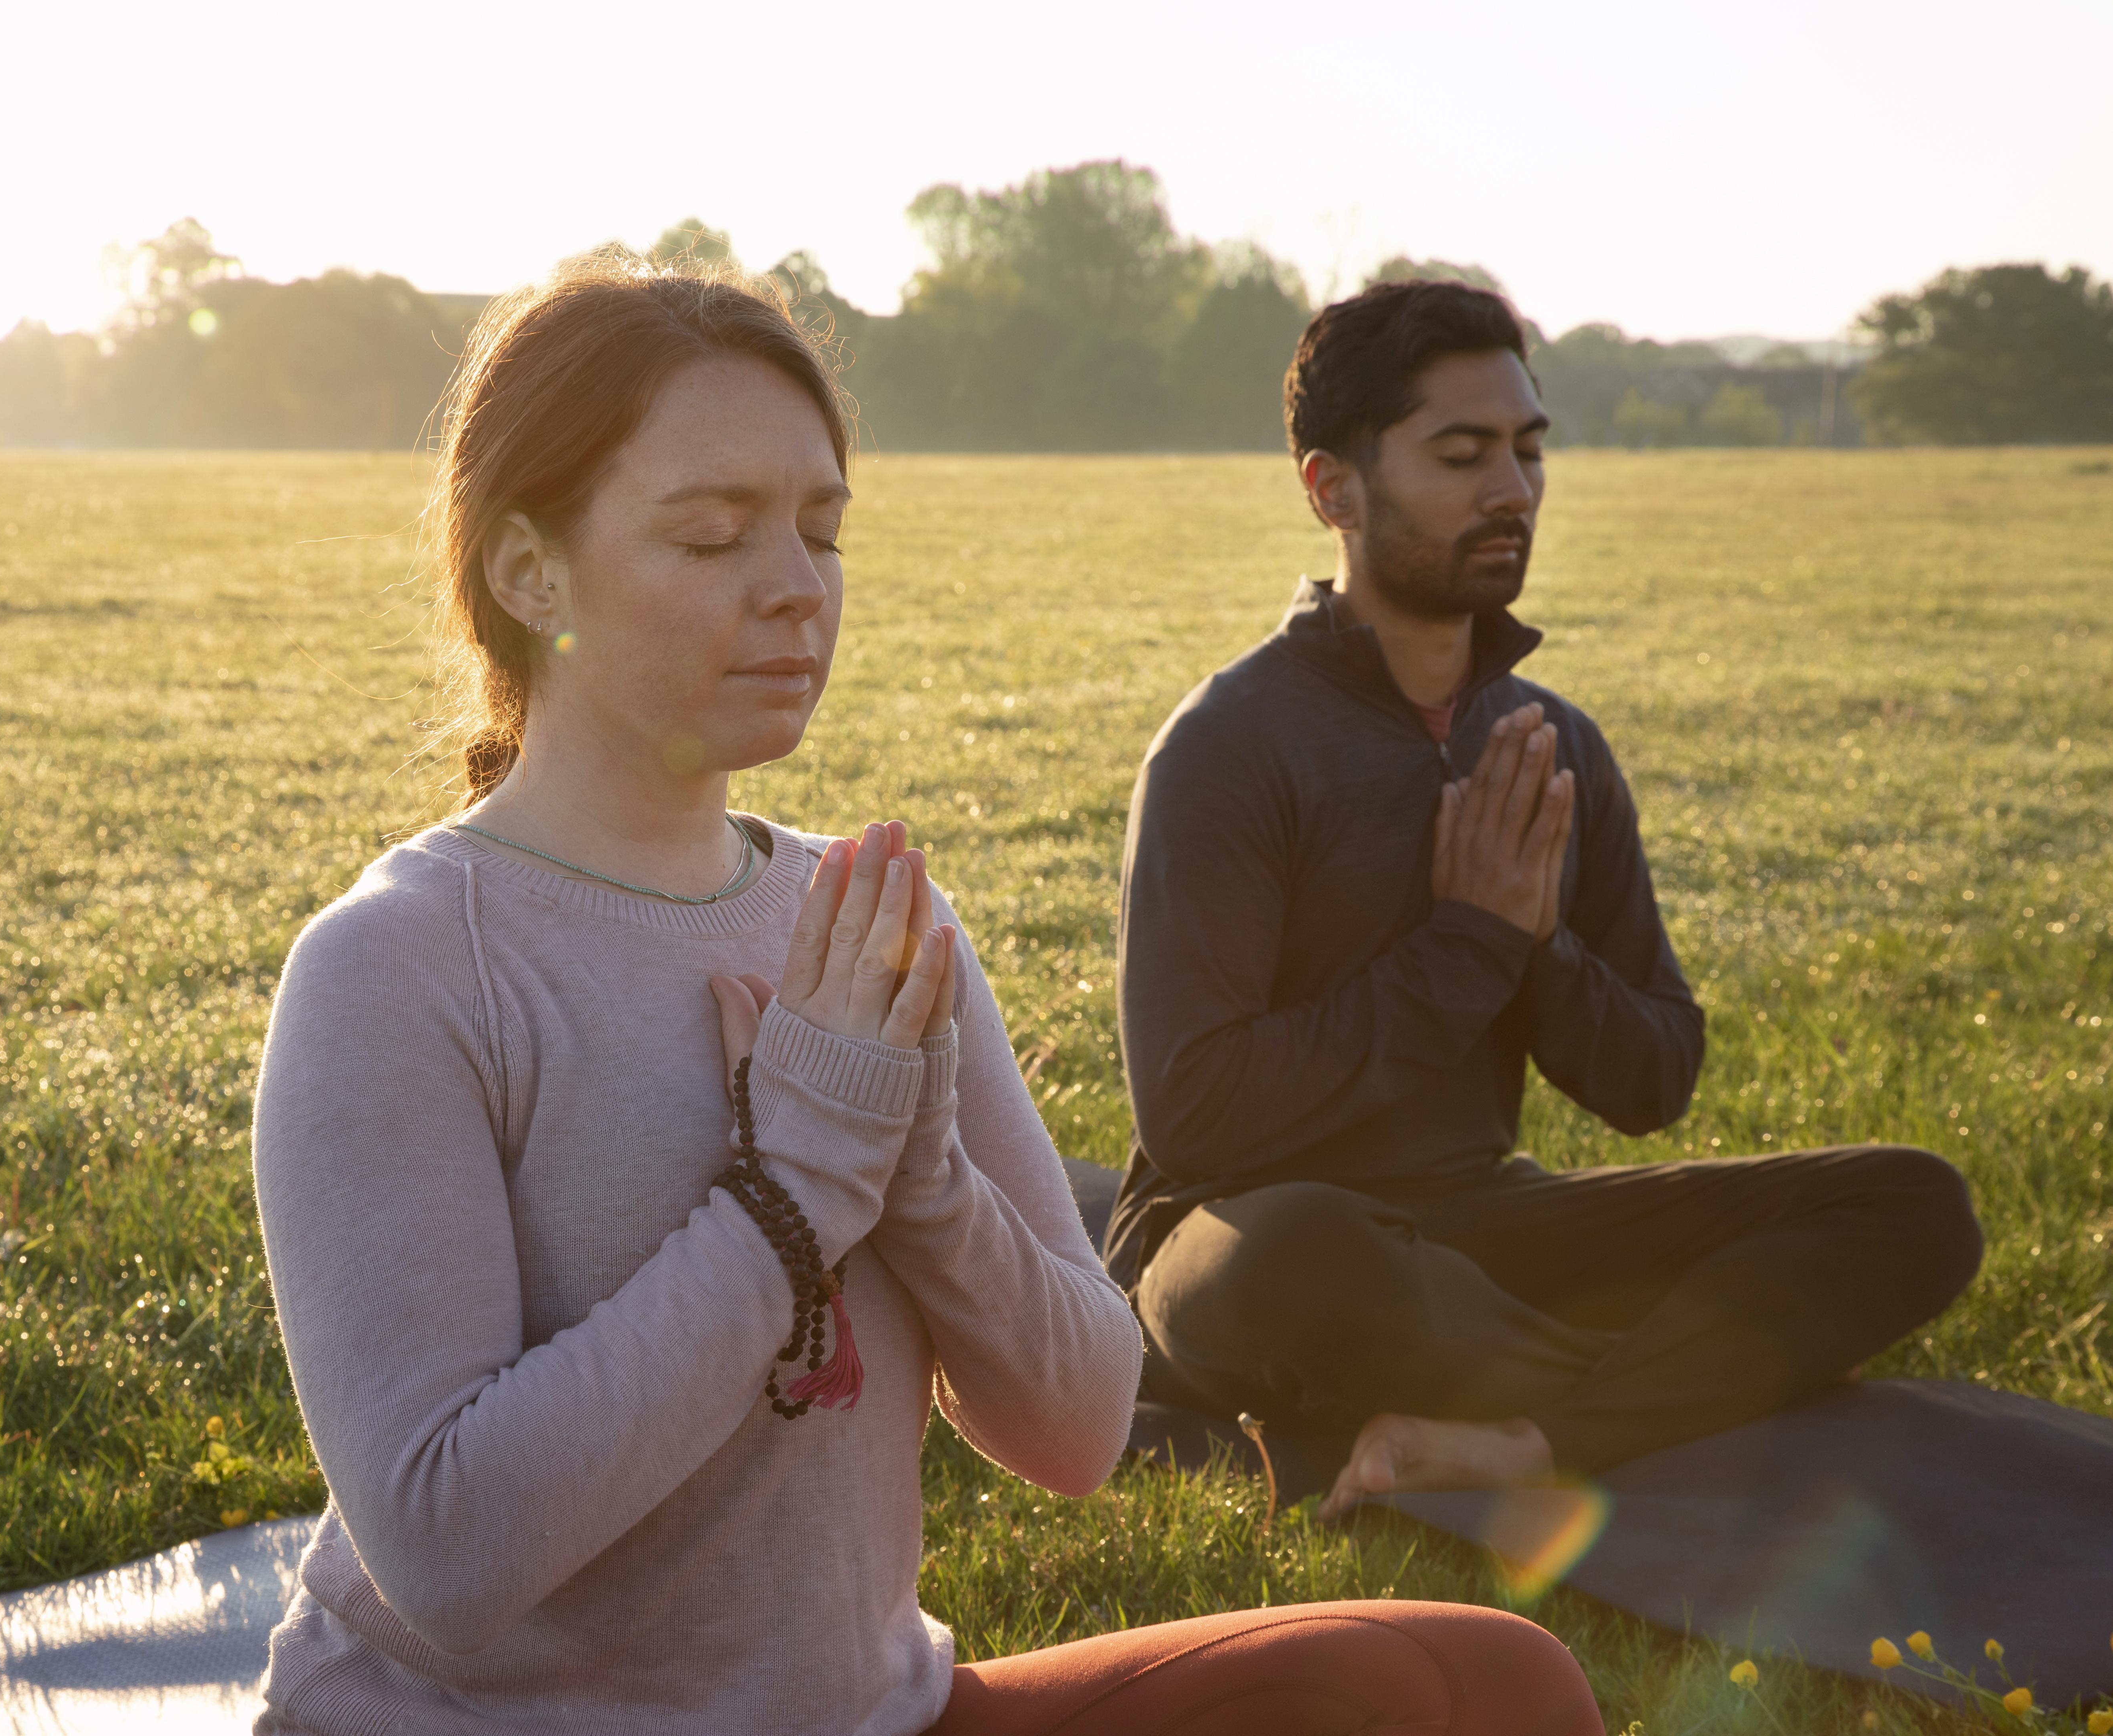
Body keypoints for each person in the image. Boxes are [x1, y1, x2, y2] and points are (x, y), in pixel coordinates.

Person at [249, 253, 1603, 1735]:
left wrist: (918, 1176)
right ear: (527, 571)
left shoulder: (876, 922)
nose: (793, 589)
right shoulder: (407, 963)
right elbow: (450, 1553)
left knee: (1487, 1684)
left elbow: (1082, 1428)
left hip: (873, 1714)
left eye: (821, 532)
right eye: (712, 537)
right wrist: (794, 1189)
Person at [1106, 279, 1986, 1520]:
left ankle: (1521, 1435)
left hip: (1482, 1233)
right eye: (1460, 455)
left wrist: (1535, 951)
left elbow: (1652, 1080)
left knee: (1911, 1204)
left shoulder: (1550, 744)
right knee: (1298, 1259)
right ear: (1331, 489)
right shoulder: (1228, 747)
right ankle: (1674, 1390)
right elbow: (1197, 1118)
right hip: (1248, 1238)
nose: (1510, 490)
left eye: (1526, 451)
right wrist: (1468, 944)